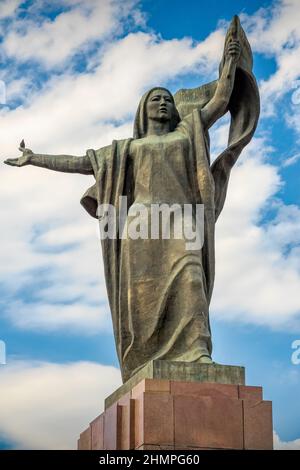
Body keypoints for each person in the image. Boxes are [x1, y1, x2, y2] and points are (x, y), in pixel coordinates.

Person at [4, 17, 259, 382]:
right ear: (143, 111)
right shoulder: (126, 150)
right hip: (141, 226)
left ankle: (198, 351)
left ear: (175, 111)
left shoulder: (188, 131)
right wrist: (35, 158)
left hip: (180, 220)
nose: (161, 103)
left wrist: (230, 63)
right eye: (154, 99)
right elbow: (81, 163)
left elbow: (220, 100)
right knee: (143, 301)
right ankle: (147, 361)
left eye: (167, 100)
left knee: (190, 278)